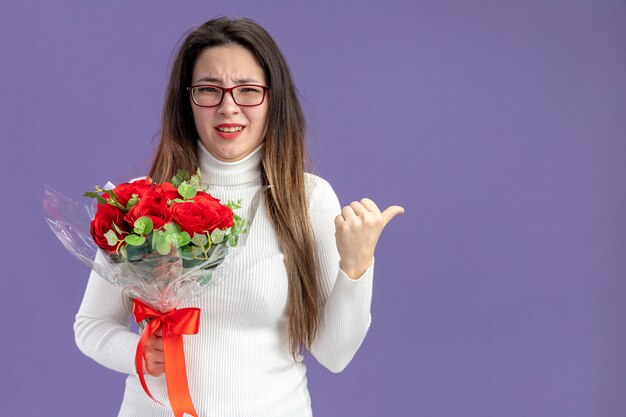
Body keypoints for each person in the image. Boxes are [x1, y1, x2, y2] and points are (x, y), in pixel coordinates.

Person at [74, 16, 403, 417]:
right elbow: (90, 326)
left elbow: (334, 354)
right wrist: (138, 352)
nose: (229, 107)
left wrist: (357, 267)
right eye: (209, 90)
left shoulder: (308, 199)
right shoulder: (141, 202)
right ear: (187, 100)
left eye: (248, 90)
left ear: (272, 99)